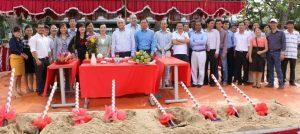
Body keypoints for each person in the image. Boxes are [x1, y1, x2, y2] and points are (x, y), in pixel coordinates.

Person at [29, 22, 51, 96]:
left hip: (46, 59)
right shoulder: (33, 38)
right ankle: (40, 91)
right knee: (39, 76)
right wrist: (37, 60)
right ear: (36, 28)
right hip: (39, 60)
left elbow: (48, 49)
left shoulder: (45, 38)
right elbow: (33, 50)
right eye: (40, 27)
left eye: (42, 27)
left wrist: (49, 58)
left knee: (46, 76)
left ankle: (45, 90)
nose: (41, 29)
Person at [266, 19, 286, 89]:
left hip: (277, 53)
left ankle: (281, 84)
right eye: (271, 23)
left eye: (274, 23)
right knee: (270, 68)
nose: (273, 24)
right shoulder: (268, 33)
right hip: (269, 53)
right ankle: (271, 83)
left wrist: (282, 53)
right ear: (270, 24)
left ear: (277, 24)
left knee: (278, 69)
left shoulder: (281, 33)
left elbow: (284, 43)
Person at [9, 26, 28, 97]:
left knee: (20, 75)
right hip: (14, 58)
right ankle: (13, 91)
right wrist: (22, 54)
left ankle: (19, 89)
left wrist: (23, 54)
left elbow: (21, 49)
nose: (18, 33)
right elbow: (13, 49)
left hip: (20, 59)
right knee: (15, 75)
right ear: (13, 33)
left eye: (20, 32)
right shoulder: (12, 40)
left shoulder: (20, 40)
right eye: (16, 32)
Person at [189, 21, 208, 87]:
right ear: (195, 26)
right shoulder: (192, 34)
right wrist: (199, 42)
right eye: (196, 25)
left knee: (201, 68)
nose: (198, 26)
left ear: (201, 26)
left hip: (202, 52)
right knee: (193, 68)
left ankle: (200, 82)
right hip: (194, 52)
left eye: (199, 25)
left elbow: (203, 42)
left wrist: (195, 42)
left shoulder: (204, 34)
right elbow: (191, 43)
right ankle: (194, 82)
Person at [282, 20, 300, 86]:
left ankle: (292, 82)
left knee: (292, 68)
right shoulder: (283, 33)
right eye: (288, 25)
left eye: (291, 24)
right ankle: (283, 80)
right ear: (286, 26)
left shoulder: (297, 33)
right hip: (285, 54)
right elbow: (282, 43)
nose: (289, 26)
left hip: (293, 54)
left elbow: (298, 43)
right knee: (283, 68)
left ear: (293, 25)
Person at [155, 20, 172, 86]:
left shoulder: (170, 34)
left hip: (167, 52)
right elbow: (155, 42)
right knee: (159, 67)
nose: (163, 25)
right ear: (160, 25)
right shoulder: (157, 33)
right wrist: (160, 48)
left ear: (166, 25)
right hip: (159, 52)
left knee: (167, 67)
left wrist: (164, 49)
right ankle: (160, 81)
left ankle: (166, 81)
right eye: (162, 24)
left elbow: (170, 43)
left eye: (165, 24)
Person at [204, 19, 220, 86]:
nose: (212, 25)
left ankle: (213, 81)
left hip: (214, 51)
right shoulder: (203, 31)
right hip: (205, 51)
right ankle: (205, 81)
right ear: (207, 24)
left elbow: (218, 42)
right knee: (205, 66)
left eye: (213, 23)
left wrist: (217, 51)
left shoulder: (216, 31)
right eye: (211, 23)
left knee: (214, 67)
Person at [23, 25, 35, 93]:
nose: (29, 31)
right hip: (25, 57)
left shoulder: (34, 38)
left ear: (32, 31)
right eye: (27, 30)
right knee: (26, 73)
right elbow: (20, 49)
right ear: (25, 31)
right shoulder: (22, 39)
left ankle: (31, 87)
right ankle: (27, 87)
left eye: (30, 30)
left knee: (32, 73)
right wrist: (24, 55)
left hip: (32, 57)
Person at [216, 19, 228, 85]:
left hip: (222, 50)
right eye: (217, 23)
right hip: (215, 51)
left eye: (219, 23)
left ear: (221, 24)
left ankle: (225, 80)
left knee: (224, 66)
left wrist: (224, 53)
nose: (218, 25)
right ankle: (215, 79)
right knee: (215, 66)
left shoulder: (225, 32)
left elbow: (226, 43)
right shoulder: (214, 31)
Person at [223, 20, 235, 85]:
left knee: (230, 65)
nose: (226, 25)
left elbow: (233, 43)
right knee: (224, 66)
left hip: (230, 50)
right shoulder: (220, 32)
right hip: (222, 50)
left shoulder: (231, 33)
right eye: (225, 24)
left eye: (227, 24)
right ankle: (224, 79)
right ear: (223, 25)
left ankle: (229, 80)